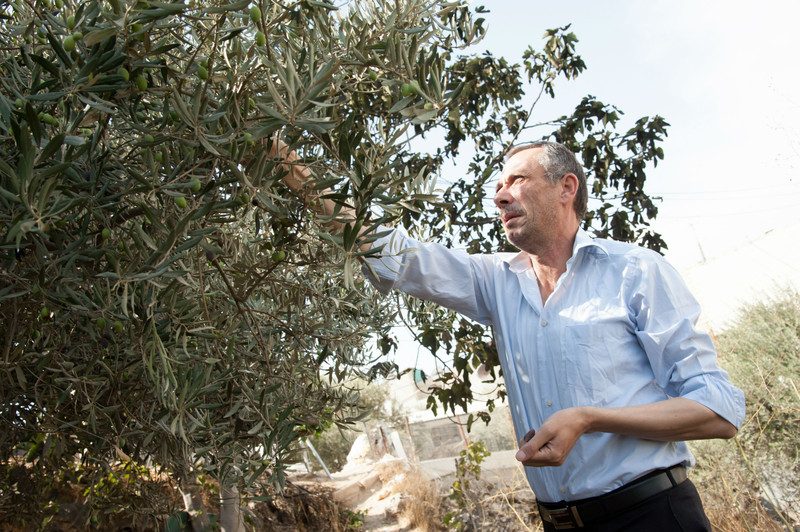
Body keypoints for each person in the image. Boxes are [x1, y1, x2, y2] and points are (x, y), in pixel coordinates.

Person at [274, 140, 746, 531]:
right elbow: (395, 253)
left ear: (566, 188)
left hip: (652, 518)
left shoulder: (636, 271)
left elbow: (718, 411)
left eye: (517, 180)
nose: (500, 196)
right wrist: (290, 168)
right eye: (498, 186)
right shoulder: (496, 280)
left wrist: (588, 419)